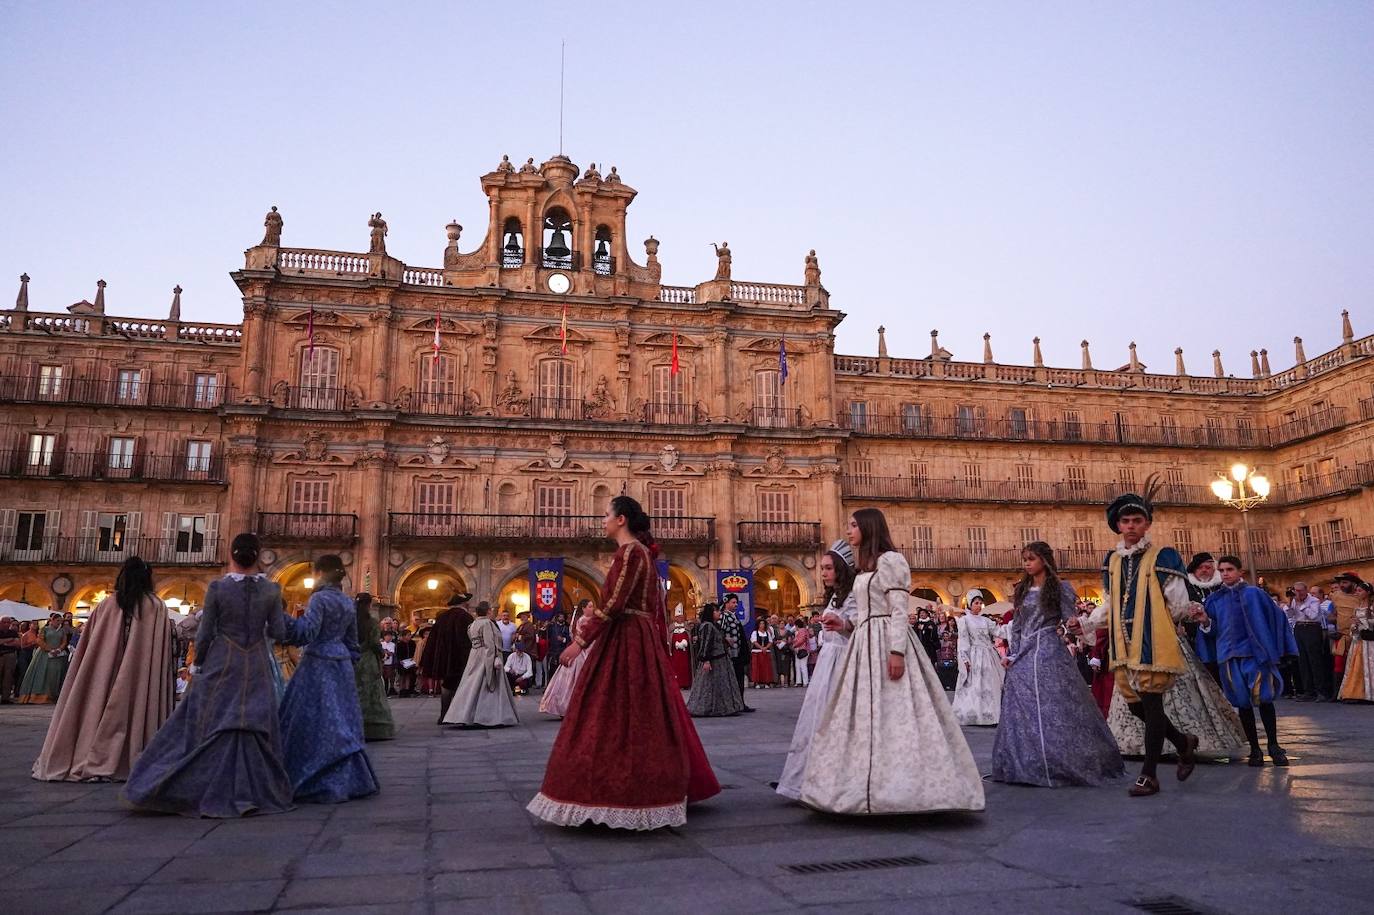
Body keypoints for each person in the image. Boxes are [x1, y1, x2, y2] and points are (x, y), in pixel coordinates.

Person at [528, 495, 720, 829]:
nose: (602, 520)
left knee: (610, 713)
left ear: (621, 520)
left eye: (606, 514)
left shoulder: (631, 553)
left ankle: (616, 791)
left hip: (626, 638)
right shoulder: (643, 554)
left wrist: (579, 642)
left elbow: (614, 602)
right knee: (643, 714)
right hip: (637, 637)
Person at [800, 509, 984, 815]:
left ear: (869, 528)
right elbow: (861, 614)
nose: (849, 531)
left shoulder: (892, 561)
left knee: (898, 712)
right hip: (863, 643)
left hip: (887, 640)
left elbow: (899, 609)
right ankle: (857, 786)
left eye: (854, 526)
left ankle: (906, 789)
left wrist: (897, 652)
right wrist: (842, 624)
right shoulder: (864, 568)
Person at [122, 533, 294, 817]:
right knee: (253, 723)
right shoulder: (272, 590)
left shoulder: (217, 588)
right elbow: (279, 632)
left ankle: (193, 784)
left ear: (232, 555)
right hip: (257, 665)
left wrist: (198, 663)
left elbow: (204, 634)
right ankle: (256, 789)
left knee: (210, 721)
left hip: (223, 662)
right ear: (259, 555)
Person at [1070, 479, 1198, 797]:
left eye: (1137, 520)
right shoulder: (1112, 562)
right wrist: (1086, 623)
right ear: (1117, 525)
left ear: (1147, 524)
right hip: (1123, 644)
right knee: (1136, 707)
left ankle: (1149, 775)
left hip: (1152, 640)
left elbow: (1177, 599)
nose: (1131, 526)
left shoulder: (1163, 557)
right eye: (1125, 521)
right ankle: (1183, 742)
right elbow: (1111, 601)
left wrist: (1178, 617)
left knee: (1152, 706)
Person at [992, 542, 1123, 787]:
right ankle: (1027, 760)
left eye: (1031, 559)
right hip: (1024, 654)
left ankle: (1059, 760)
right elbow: (1018, 627)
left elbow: (1068, 618)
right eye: (1025, 559)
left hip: (1049, 649)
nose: (1027, 563)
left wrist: (1074, 624)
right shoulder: (1022, 589)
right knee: (1022, 705)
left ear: (1044, 559)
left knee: (1056, 705)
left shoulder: (1060, 587)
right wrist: (1012, 654)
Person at [32, 557, 175, 782]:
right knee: (136, 706)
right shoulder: (155, 606)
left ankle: (90, 750)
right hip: (139, 677)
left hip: (104, 674)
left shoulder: (107, 605)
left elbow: (91, 647)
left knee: (97, 704)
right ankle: (131, 753)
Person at [276, 555, 379, 803]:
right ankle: (350, 776)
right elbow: (353, 643)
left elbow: (307, 632)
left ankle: (312, 773)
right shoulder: (346, 602)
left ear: (319, 572)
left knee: (311, 718)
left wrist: (283, 620)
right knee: (341, 718)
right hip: (341, 664)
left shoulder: (319, 599)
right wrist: (346, 661)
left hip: (318, 663)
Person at [776, 541, 857, 800]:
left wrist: (842, 624)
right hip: (828, 661)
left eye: (829, 568)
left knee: (836, 719)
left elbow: (859, 627)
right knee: (817, 719)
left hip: (843, 660)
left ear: (841, 569)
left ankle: (835, 780)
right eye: (822, 568)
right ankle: (808, 778)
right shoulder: (834, 595)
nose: (823, 573)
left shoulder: (853, 594)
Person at [1198, 556, 1297, 766]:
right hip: (1229, 656)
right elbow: (1211, 630)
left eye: (1229, 569)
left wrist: (1277, 648)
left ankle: (1273, 745)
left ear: (1239, 571)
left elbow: (1276, 618)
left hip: (1255, 655)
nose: (1225, 574)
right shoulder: (1214, 600)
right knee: (1243, 704)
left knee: (1265, 699)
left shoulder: (1255, 594)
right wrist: (1205, 621)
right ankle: (1254, 749)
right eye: (1222, 570)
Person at [443, 602, 519, 727]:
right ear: (488, 611)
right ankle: (488, 716)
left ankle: (464, 714)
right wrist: (491, 665)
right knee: (486, 684)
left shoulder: (472, 625)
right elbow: (489, 645)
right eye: (491, 610)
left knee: (470, 683)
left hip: (474, 656)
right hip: (485, 656)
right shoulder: (487, 623)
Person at [951, 589, 1003, 726]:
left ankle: (990, 715)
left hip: (988, 655)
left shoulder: (986, 620)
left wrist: (1014, 627)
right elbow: (963, 641)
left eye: (980, 603)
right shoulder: (964, 621)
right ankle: (974, 714)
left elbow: (999, 631)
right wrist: (965, 658)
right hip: (974, 655)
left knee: (990, 684)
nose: (978, 606)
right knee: (975, 685)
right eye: (976, 603)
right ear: (969, 604)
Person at [419, 593, 474, 724]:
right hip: (460, 658)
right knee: (461, 685)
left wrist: (430, 658)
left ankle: (444, 715)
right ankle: (458, 715)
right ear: (464, 604)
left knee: (446, 685)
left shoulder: (442, 617)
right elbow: (468, 639)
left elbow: (433, 639)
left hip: (444, 658)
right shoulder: (466, 617)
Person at [686, 603, 744, 717]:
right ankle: (706, 707)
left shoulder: (714, 625)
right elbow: (706, 643)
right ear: (710, 613)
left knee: (720, 685)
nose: (719, 613)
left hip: (721, 659)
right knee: (709, 685)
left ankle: (722, 707)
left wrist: (726, 641)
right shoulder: (707, 626)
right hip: (714, 660)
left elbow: (716, 639)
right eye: (716, 611)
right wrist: (706, 660)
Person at [352, 593, 396, 741]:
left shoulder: (350, 621)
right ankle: (374, 727)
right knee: (372, 691)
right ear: (369, 605)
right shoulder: (371, 622)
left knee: (355, 690)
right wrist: (382, 653)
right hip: (368, 659)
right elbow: (375, 643)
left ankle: (354, 725)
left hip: (352, 659)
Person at [540, 600, 590, 717]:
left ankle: (565, 707)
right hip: (579, 652)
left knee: (567, 681)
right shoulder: (584, 620)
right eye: (590, 606)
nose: (593, 609)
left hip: (571, 651)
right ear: (583, 608)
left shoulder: (575, 621)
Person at [1185, 553, 1225, 684]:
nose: (1204, 570)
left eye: (1207, 567)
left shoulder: (1223, 587)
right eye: (1200, 567)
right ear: (1194, 570)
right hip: (1196, 640)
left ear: (1214, 569)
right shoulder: (1187, 588)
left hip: (1222, 639)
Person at [1287, 581, 1330, 701]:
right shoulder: (1294, 600)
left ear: (1306, 590)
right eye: (1296, 590)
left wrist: (1301, 604)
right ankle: (1308, 691)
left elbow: (1313, 616)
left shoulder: (1314, 601)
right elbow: (1290, 615)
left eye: (1300, 590)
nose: (1298, 593)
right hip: (1299, 628)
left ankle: (1321, 691)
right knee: (1303, 660)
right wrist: (1291, 603)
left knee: (1315, 660)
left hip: (1312, 628)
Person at [16, 613, 71, 704]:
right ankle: (39, 695)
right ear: (52, 621)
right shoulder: (44, 629)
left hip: (57, 655)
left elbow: (64, 641)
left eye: (60, 621)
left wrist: (59, 649)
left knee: (55, 673)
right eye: (57, 621)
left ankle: (53, 695)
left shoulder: (62, 631)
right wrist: (48, 649)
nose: (59, 623)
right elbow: (39, 640)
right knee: (43, 673)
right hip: (44, 654)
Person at [1328, 573, 1366, 701]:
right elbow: (1332, 614)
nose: (1341, 585)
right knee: (1338, 665)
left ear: (1353, 583)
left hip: (1359, 637)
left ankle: (1356, 694)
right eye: (1340, 583)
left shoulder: (1361, 596)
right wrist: (1334, 620)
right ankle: (1337, 694)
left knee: (1356, 666)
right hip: (1342, 636)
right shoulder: (1336, 596)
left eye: (1345, 582)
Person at [1337, 582, 1374, 702]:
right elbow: (1353, 623)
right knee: (1356, 667)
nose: (1357, 593)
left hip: (1370, 641)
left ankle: (1370, 694)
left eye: (1360, 591)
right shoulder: (1357, 606)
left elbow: (1372, 624)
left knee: (1370, 666)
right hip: (1358, 640)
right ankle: (1356, 693)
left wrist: (1363, 622)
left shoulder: (1372, 606)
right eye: (1357, 591)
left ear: (1368, 592)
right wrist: (1354, 626)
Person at [717, 594, 754, 711]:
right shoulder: (724, 616)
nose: (736, 604)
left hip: (737, 653)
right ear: (726, 603)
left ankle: (740, 703)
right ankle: (733, 704)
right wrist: (725, 639)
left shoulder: (733, 616)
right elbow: (718, 631)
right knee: (733, 680)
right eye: (733, 602)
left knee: (739, 678)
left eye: (736, 602)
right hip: (730, 654)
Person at [749, 616, 777, 688]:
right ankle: (757, 682)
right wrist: (761, 648)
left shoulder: (767, 633)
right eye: (760, 624)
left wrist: (765, 648)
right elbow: (754, 641)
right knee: (757, 667)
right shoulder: (755, 632)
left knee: (766, 667)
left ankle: (766, 682)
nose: (762, 625)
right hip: (757, 652)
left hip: (766, 652)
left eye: (763, 624)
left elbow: (770, 642)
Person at [669, 607, 693, 689]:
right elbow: (669, 638)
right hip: (675, 652)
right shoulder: (671, 627)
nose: (680, 618)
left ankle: (686, 683)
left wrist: (687, 642)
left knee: (685, 667)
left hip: (685, 653)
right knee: (676, 667)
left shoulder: (687, 626)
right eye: (678, 616)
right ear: (675, 617)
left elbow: (690, 636)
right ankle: (677, 684)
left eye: (681, 616)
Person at [935, 612, 959, 690]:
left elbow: (955, 636)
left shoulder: (948, 626)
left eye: (943, 616)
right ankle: (944, 684)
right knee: (942, 670)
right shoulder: (938, 626)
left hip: (951, 650)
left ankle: (951, 684)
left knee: (951, 670)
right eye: (940, 616)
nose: (941, 618)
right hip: (942, 650)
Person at [0, 615, 19, 702]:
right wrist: (10, 640)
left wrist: (4, 642)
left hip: (10, 655)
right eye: (4, 622)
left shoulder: (13, 632)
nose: (6, 624)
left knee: (8, 676)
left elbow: (17, 643)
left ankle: (5, 697)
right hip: (1, 655)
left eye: (8, 622)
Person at [791, 621, 811, 687]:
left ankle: (805, 682)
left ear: (796, 625)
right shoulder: (803, 631)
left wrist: (794, 645)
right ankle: (799, 681)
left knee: (802, 666)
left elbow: (801, 640)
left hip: (803, 650)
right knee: (798, 666)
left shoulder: (802, 630)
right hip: (799, 650)